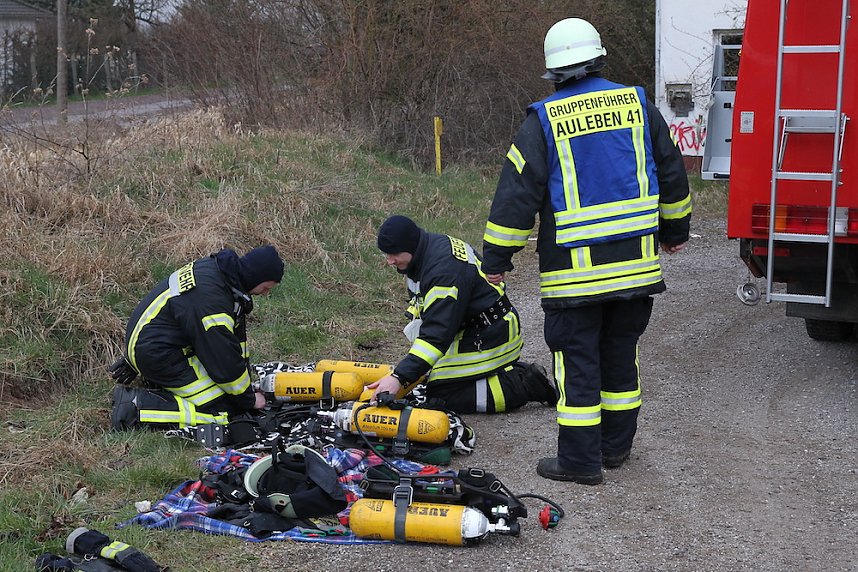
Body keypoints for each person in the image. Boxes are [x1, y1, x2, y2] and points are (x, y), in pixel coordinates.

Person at [481, 18, 692, 484]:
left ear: (554, 73)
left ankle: (579, 462)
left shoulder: (543, 121)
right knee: (621, 356)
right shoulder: (638, 105)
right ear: (598, 58)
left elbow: (515, 198)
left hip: (574, 279)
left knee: (578, 365)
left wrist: (496, 261)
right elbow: (671, 170)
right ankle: (615, 450)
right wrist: (676, 230)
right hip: (636, 273)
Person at [368, 215, 558, 414]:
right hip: (478, 329)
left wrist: (398, 377)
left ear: (410, 246)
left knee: (442, 396)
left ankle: (522, 385)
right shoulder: (428, 250)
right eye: (386, 254)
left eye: (394, 254)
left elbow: (436, 336)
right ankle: (500, 374)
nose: (389, 261)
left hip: (490, 335)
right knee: (427, 376)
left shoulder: (443, 272)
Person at [109, 245, 285, 429]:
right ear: (256, 276)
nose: (266, 293)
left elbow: (234, 345)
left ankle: (156, 380)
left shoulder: (219, 272)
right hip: (159, 354)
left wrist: (245, 385)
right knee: (225, 410)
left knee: (230, 393)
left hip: (152, 337)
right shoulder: (213, 303)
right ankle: (134, 408)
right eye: (266, 287)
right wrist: (248, 400)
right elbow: (222, 360)